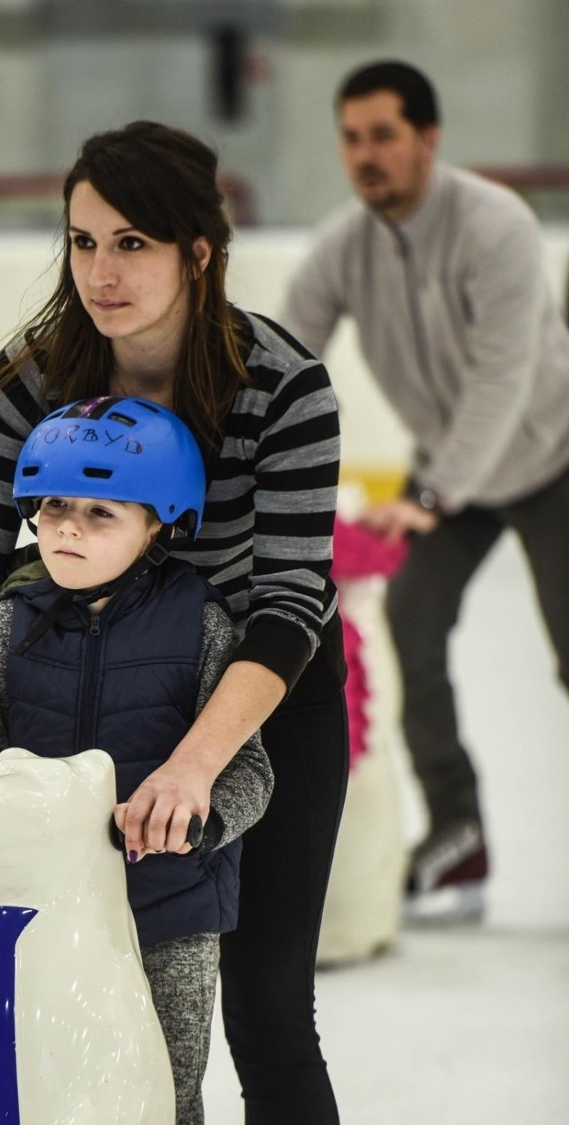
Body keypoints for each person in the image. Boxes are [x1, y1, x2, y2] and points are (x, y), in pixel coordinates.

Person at [0, 120, 349, 1124]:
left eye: (132, 242)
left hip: (255, 704)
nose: (101, 270)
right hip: (76, 706)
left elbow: (287, 605)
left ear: (198, 252)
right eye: (83, 242)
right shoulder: (29, 385)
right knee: (63, 1007)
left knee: (265, 1012)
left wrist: (194, 766)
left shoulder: (284, 386)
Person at [284, 60, 569, 922]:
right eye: (351, 137)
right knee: (410, 627)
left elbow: (503, 382)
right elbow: (286, 360)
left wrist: (434, 493)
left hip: (553, 456)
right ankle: (458, 841)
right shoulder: (344, 246)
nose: (365, 155)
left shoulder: (496, 225)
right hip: (450, 474)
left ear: (429, 140)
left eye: (384, 136)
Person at [0, 395, 274, 1123]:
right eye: (56, 502)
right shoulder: (14, 619)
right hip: (43, 914)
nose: (68, 525)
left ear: (159, 521)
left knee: (160, 1096)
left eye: (103, 511)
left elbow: (251, 771)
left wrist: (197, 820)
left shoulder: (201, 621)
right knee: (47, 1088)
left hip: (169, 914)